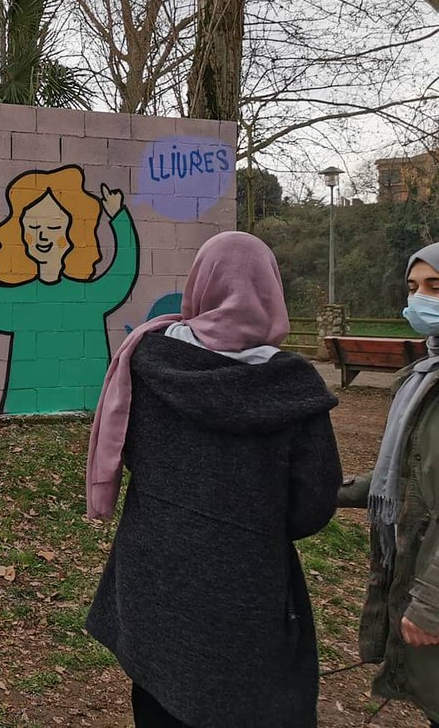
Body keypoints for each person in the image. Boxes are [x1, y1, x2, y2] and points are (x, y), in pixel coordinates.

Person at [84, 231, 341, 727]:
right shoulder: (293, 386)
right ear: (271, 289)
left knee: (156, 698)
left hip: (152, 575)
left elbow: (131, 451)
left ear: (199, 284)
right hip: (247, 586)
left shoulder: (148, 362)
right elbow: (313, 502)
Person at [337, 242, 439, 727]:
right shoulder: (422, 376)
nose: (419, 299)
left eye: (434, 287)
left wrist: (432, 605)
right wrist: (320, 490)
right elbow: (401, 479)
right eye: (413, 288)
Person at [0, 166, 138, 414]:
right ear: (21, 235)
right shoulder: (19, 300)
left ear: (72, 234)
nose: (42, 237)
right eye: (33, 228)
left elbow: (123, 271)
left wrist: (118, 217)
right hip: (20, 410)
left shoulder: (89, 299)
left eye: (53, 227)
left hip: (89, 407)